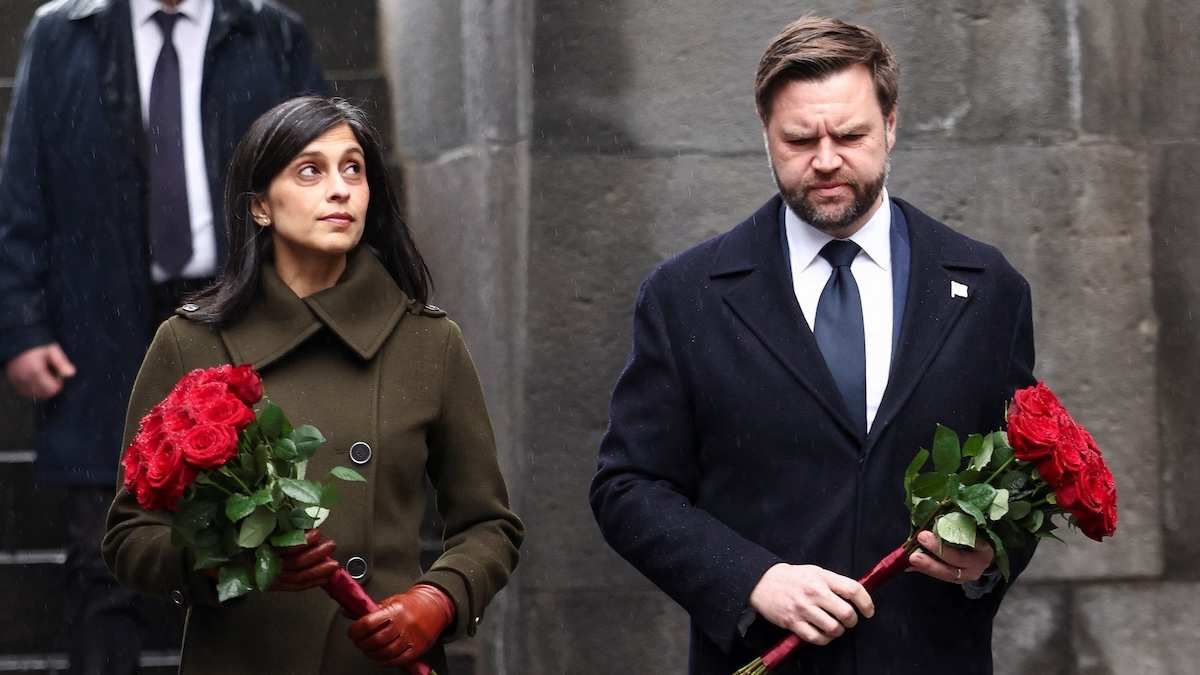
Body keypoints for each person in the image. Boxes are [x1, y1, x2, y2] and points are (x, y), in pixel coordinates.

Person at [590, 16, 1037, 675]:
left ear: (891, 123)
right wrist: (752, 578)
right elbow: (627, 486)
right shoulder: (685, 295)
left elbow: (1024, 471)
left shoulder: (988, 286)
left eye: (850, 134)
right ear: (765, 135)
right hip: (765, 657)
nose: (826, 159)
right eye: (799, 138)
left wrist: (990, 554)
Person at [102, 96, 523, 673]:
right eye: (310, 170)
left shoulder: (429, 342)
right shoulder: (190, 342)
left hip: (381, 659)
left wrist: (438, 599)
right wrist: (232, 558)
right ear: (260, 208)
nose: (341, 188)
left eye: (354, 168)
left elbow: (488, 525)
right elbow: (130, 536)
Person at [0, 0, 325, 670]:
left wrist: (314, 315)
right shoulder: (65, 35)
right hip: (98, 318)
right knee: (100, 550)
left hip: (237, 314)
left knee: (251, 542)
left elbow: (322, 181)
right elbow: (21, 189)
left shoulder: (269, 33)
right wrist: (22, 325)